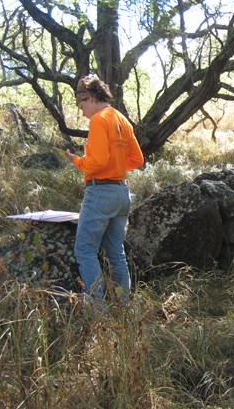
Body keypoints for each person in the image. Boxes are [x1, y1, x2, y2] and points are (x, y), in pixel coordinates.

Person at [64, 75, 144, 305]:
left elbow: (97, 162)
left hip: (100, 193)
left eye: (81, 106)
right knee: (116, 252)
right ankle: (124, 305)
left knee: (84, 251)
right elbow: (137, 159)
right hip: (121, 193)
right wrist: (115, 166)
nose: (82, 112)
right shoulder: (122, 119)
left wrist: (77, 161)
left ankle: (99, 312)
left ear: (90, 98)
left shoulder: (99, 120)